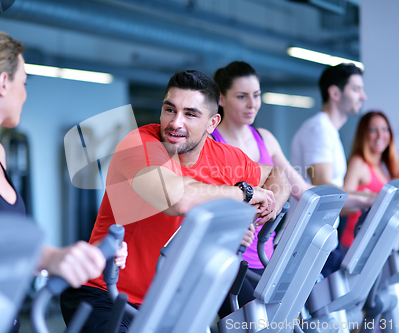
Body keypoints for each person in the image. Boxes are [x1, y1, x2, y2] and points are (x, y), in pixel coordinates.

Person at [60, 69, 291, 332]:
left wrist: (256, 213)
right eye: (170, 110)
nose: (175, 123)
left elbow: (277, 174)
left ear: (212, 123)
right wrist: (245, 194)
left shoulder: (226, 158)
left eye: (190, 114)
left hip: (167, 303)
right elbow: (177, 198)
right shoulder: (140, 145)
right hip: (106, 294)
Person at [0, 28, 127, 332]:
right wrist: (51, 256)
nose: (25, 94)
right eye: (23, 83)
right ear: (3, 83)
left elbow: (10, 249)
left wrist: (85, 258)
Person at [211, 61, 312, 317]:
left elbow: (299, 187)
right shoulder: (211, 143)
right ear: (221, 98)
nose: (252, 104)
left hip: (266, 258)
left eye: (256, 95)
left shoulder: (264, 138)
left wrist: (341, 202)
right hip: (231, 260)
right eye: (242, 96)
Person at [291, 63, 373, 276]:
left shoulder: (330, 131)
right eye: (356, 89)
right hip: (308, 242)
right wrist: (367, 197)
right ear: (335, 93)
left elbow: (337, 202)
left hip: (324, 239)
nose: (362, 96)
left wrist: (370, 200)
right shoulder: (319, 129)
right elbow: (325, 190)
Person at [340, 111, 399, 248]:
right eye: (373, 130)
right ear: (364, 134)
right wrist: (366, 199)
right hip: (354, 244)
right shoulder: (359, 162)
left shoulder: (382, 167)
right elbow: (342, 206)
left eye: (384, 129)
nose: (380, 135)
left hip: (372, 244)